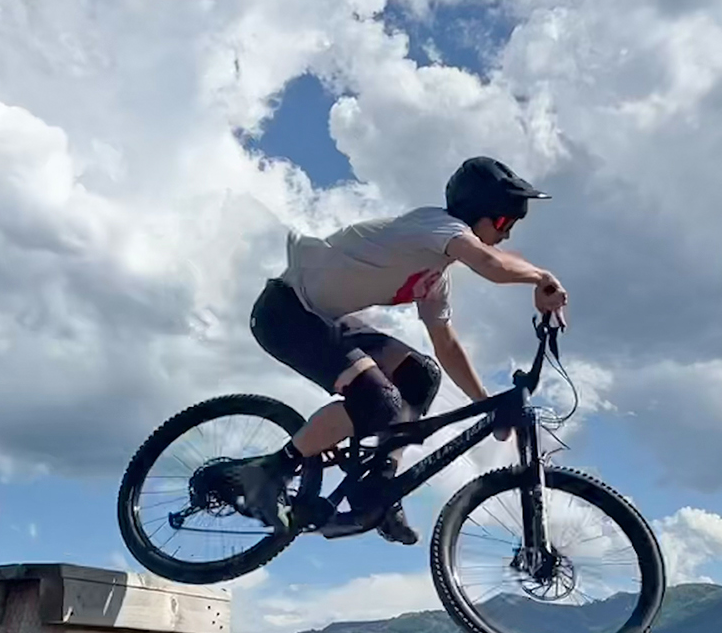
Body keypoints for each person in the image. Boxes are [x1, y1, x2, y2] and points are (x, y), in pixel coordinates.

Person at [235, 156, 569, 544]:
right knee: (379, 400)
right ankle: (268, 473)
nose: (508, 234)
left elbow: (446, 344)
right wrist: (542, 277)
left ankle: (378, 491)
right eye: (504, 222)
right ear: (477, 213)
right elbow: (491, 264)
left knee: (421, 375)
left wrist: (486, 404)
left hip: (323, 318)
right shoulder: (436, 225)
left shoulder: (434, 277)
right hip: (285, 311)